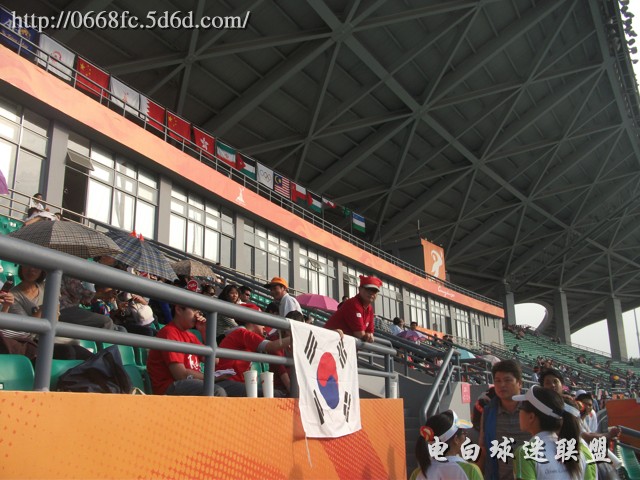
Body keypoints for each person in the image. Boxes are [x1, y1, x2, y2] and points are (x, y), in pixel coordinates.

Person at [6, 265, 92, 360]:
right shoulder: (13, 295)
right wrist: (45, 307)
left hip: (52, 335)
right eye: (27, 265)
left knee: (87, 355)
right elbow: (26, 330)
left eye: (36, 266)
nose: (31, 269)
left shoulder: (48, 286)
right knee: (69, 352)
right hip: (33, 342)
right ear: (21, 267)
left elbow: (55, 317)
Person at [513, 386, 596, 479]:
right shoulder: (581, 451)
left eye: (521, 407)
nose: (519, 411)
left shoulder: (525, 453)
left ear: (531, 417)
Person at [146, 303, 226, 396]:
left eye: (199, 312)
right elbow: (181, 375)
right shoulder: (169, 333)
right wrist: (213, 378)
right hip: (169, 387)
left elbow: (215, 360)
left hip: (192, 382)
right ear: (179, 309)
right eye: (194, 310)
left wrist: (206, 332)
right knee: (216, 391)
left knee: (235, 389)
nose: (197, 316)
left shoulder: (191, 336)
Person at [216, 312, 292, 397]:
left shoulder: (240, 333)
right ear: (252, 321)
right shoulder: (242, 332)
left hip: (233, 382)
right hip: (226, 381)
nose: (264, 327)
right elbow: (271, 346)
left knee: (275, 394)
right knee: (275, 395)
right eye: (261, 323)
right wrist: (294, 336)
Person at [477, 359, 529, 480]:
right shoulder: (488, 412)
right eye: (498, 381)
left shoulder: (532, 410)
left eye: (507, 380)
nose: (502, 385)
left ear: (519, 383)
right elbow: (483, 448)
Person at [410, 410, 482, 480]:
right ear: (456, 439)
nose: (465, 437)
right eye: (464, 433)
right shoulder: (471, 470)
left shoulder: (417, 473)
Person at [324, 275, 382, 343]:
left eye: (374, 291)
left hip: (341, 344)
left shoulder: (370, 309)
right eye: (368, 289)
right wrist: (367, 336)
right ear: (360, 289)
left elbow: (369, 333)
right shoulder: (353, 303)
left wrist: (368, 336)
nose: (371, 293)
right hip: (327, 342)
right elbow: (360, 334)